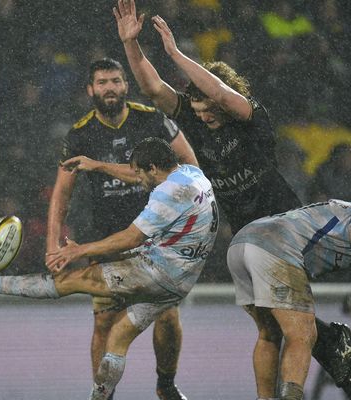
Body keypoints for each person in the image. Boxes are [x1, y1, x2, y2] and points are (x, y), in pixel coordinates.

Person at [113, 0, 351, 386]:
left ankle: (332, 347)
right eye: (199, 109)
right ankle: (326, 351)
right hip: (246, 240)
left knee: (295, 327)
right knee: (271, 328)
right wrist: (131, 45)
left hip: (284, 229)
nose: (205, 115)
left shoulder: (251, 119)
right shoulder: (195, 117)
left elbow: (222, 96)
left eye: (208, 108)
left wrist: (174, 53)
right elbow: (153, 88)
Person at [0, 137, 218, 400]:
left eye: (140, 172)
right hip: (181, 280)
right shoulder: (191, 173)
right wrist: (97, 166)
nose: (137, 179)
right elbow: (135, 177)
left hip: (157, 272)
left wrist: (78, 250)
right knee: (118, 337)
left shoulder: (167, 193)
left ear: (153, 168)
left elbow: (131, 237)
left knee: (72, 280)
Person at [47, 57, 198, 400]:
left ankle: (166, 385)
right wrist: (52, 246)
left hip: (155, 238)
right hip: (107, 240)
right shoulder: (79, 135)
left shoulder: (152, 120)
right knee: (104, 321)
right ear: (90, 90)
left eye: (115, 81)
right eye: (102, 82)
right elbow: (61, 196)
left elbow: (190, 165)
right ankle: (105, 395)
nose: (109, 88)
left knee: (168, 316)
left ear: (126, 85)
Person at [227, 200, 351, 399]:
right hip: (274, 246)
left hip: (241, 243)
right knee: (303, 333)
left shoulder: (341, 210)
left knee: (269, 333)